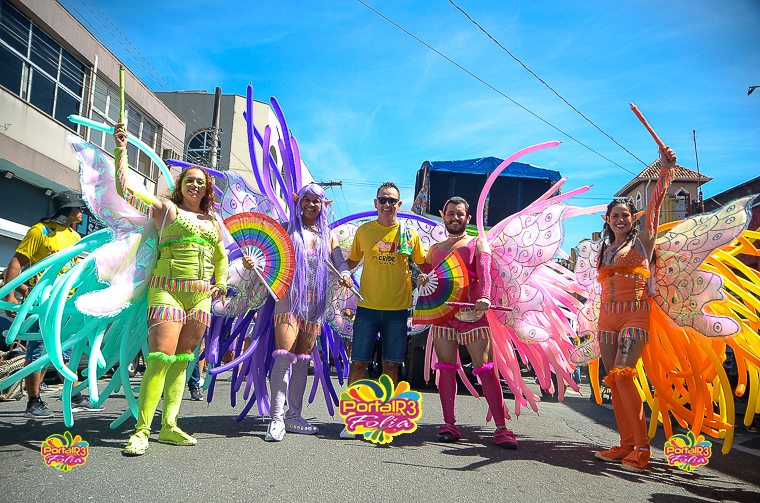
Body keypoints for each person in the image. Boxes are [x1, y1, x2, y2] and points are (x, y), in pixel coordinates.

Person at [113, 124, 229, 456]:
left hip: (200, 297)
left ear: (207, 189)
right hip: (167, 291)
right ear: (180, 185)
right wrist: (121, 149)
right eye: (190, 179)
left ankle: (169, 426)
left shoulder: (213, 222)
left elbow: (221, 257)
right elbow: (125, 189)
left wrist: (221, 283)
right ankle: (141, 431)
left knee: (182, 361)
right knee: (160, 358)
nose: (195, 184)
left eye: (201, 182)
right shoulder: (166, 210)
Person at [593, 146, 677, 472]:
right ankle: (625, 444)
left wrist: (665, 170)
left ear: (633, 219)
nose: (620, 219)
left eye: (625, 215)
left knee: (624, 376)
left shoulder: (643, 241)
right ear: (608, 220)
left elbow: (654, 205)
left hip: (635, 315)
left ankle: (642, 449)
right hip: (606, 318)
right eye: (615, 215)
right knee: (613, 381)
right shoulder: (604, 249)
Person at [418, 196, 518, 449]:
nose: (455, 217)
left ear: (468, 218)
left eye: (460, 214)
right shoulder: (434, 249)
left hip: (473, 315)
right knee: (446, 368)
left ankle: (502, 428)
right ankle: (449, 423)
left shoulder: (478, 243)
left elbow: (485, 275)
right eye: (451, 213)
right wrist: (422, 279)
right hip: (443, 316)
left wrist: (484, 297)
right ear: (443, 216)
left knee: (485, 368)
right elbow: (429, 277)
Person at [264, 183, 353, 442]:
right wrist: (253, 262)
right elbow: (270, 257)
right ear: (299, 202)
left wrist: (345, 273)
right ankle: (276, 419)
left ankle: (294, 416)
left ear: (323, 205)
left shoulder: (329, 235)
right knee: (284, 354)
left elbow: (339, 261)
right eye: (307, 199)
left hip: (316, 304)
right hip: (289, 299)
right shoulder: (287, 228)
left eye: (316, 201)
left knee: (303, 358)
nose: (311, 204)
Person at [2, 191, 100, 417]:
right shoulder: (40, 231)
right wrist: (10, 295)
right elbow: (17, 262)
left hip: (68, 303)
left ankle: (73, 396)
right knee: (38, 352)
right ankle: (33, 401)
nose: (81, 212)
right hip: (43, 303)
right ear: (66, 209)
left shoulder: (74, 236)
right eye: (78, 208)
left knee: (68, 351)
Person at [342, 181, 425, 438]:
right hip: (366, 308)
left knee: (391, 366)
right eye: (383, 200)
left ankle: (386, 419)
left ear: (399, 204)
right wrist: (338, 269)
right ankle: (352, 420)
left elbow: (424, 265)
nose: (387, 204)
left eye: (392, 200)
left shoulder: (409, 233)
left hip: (397, 311)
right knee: (358, 364)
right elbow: (351, 262)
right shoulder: (364, 231)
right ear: (375, 203)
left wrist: (427, 275)